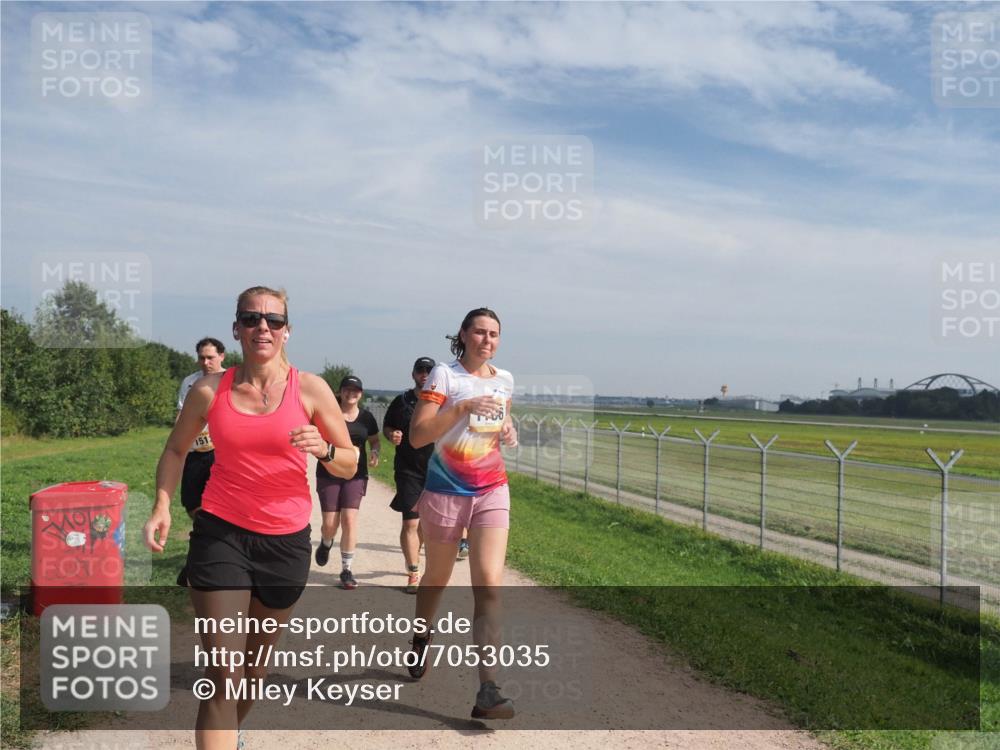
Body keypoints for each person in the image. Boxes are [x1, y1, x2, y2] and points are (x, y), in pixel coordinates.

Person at [143, 286, 358, 750]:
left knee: (252, 671)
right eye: (252, 318)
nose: (263, 327)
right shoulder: (209, 390)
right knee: (223, 671)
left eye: (274, 320)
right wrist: (162, 504)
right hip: (221, 533)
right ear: (236, 328)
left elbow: (350, 461)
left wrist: (323, 449)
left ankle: (231, 732)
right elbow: (176, 449)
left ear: (287, 331)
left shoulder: (312, 388)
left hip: (285, 540)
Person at [407, 307, 518, 720]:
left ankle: (488, 688)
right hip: (445, 491)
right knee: (437, 578)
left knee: (489, 584)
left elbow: (502, 423)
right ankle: (421, 635)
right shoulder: (444, 376)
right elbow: (419, 435)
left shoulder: (505, 380)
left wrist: (509, 430)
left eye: (494, 334)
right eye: (479, 332)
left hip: (492, 489)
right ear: (464, 335)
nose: (487, 340)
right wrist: (462, 407)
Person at [314, 375, 380, 591]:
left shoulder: (367, 417)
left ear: (361, 394)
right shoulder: (329, 413)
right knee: (330, 524)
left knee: (350, 520)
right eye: (347, 390)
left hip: (356, 474)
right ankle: (326, 542)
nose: (351, 394)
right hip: (329, 471)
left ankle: (346, 569)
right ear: (340, 391)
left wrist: (375, 452)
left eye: (356, 391)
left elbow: (374, 439)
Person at [382, 356, 435, 593]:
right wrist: (392, 435)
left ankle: (413, 556)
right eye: (420, 370)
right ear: (413, 374)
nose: (424, 374)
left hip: (437, 471)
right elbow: (387, 426)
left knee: (426, 524)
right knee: (411, 521)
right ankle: (414, 571)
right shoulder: (401, 401)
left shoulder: (442, 402)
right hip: (408, 469)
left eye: (429, 370)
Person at [177, 337, 226, 518]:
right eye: (201, 358)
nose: (205, 362)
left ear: (222, 356)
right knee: (192, 502)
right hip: (195, 450)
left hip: (222, 451)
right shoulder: (189, 382)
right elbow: (181, 414)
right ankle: (202, 531)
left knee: (222, 502)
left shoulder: (232, 380)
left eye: (210, 357)